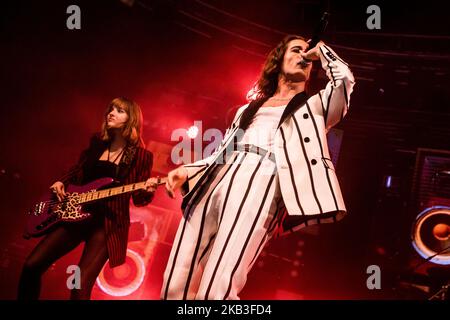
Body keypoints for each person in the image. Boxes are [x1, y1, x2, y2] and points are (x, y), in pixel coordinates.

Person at [161, 35, 355, 300]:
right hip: (218, 177)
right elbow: (223, 152)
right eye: (297, 50)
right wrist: (189, 170)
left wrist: (321, 52)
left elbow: (343, 82)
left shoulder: (315, 107)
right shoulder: (248, 109)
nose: (304, 56)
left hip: (263, 179)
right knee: (174, 285)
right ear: (279, 59)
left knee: (215, 289)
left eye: (307, 55)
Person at [18, 97, 159, 300]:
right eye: (111, 109)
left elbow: (139, 199)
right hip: (74, 214)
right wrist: (61, 182)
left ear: (131, 119)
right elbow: (78, 171)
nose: (111, 112)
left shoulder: (142, 156)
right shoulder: (97, 143)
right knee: (31, 266)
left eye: (119, 111)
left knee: (80, 286)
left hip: (107, 225)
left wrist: (148, 189)